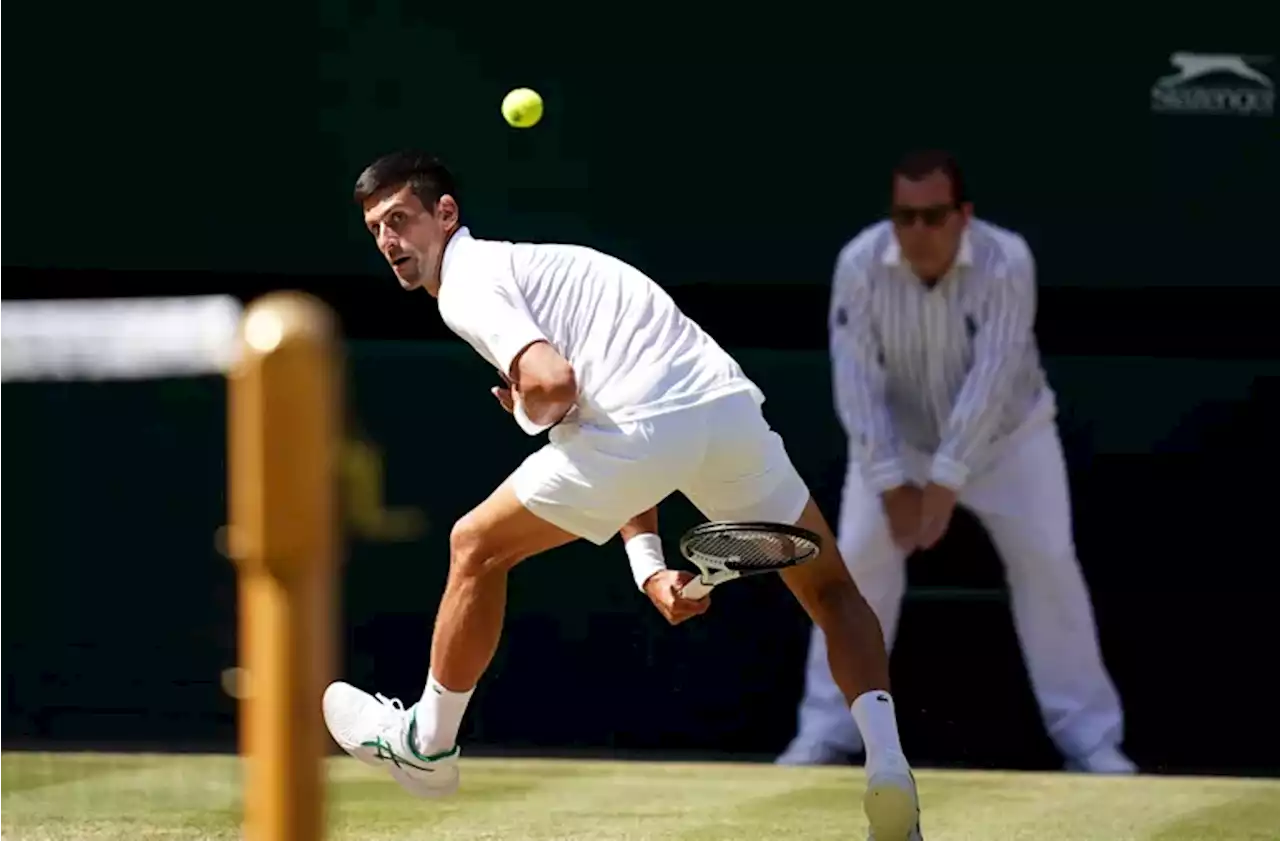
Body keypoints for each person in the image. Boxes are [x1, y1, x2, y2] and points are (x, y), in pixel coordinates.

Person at [321, 150, 925, 840]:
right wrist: (647, 566)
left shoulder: (467, 283)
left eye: (400, 219)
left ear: (446, 214)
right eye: (376, 231)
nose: (390, 242)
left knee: (475, 547)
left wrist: (524, 410)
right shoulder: (546, 271)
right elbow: (632, 432)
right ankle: (888, 767)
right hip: (724, 410)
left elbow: (554, 387)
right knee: (832, 589)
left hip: (645, 422)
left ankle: (426, 746)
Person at [776, 149, 1134, 775]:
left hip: (1009, 442)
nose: (917, 232)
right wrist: (892, 483)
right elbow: (855, 382)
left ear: (963, 216)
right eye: (904, 217)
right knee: (851, 568)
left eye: (933, 216)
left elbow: (991, 380)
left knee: (1048, 560)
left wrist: (941, 486)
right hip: (892, 446)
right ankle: (826, 733)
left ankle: (1091, 740)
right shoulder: (860, 263)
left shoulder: (1007, 260)